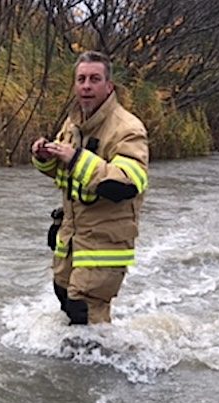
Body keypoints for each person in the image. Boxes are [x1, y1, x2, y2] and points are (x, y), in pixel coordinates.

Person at [31, 50, 149, 325]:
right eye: (81, 79)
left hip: (104, 242)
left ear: (109, 86)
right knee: (63, 294)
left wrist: (76, 158)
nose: (86, 86)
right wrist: (43, 157)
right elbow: (63, 175)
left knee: (85, 311)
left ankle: (103, 365)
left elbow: (128, 183)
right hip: (71, 236)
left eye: (94, 79)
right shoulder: (72, 125)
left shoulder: (128, 129)